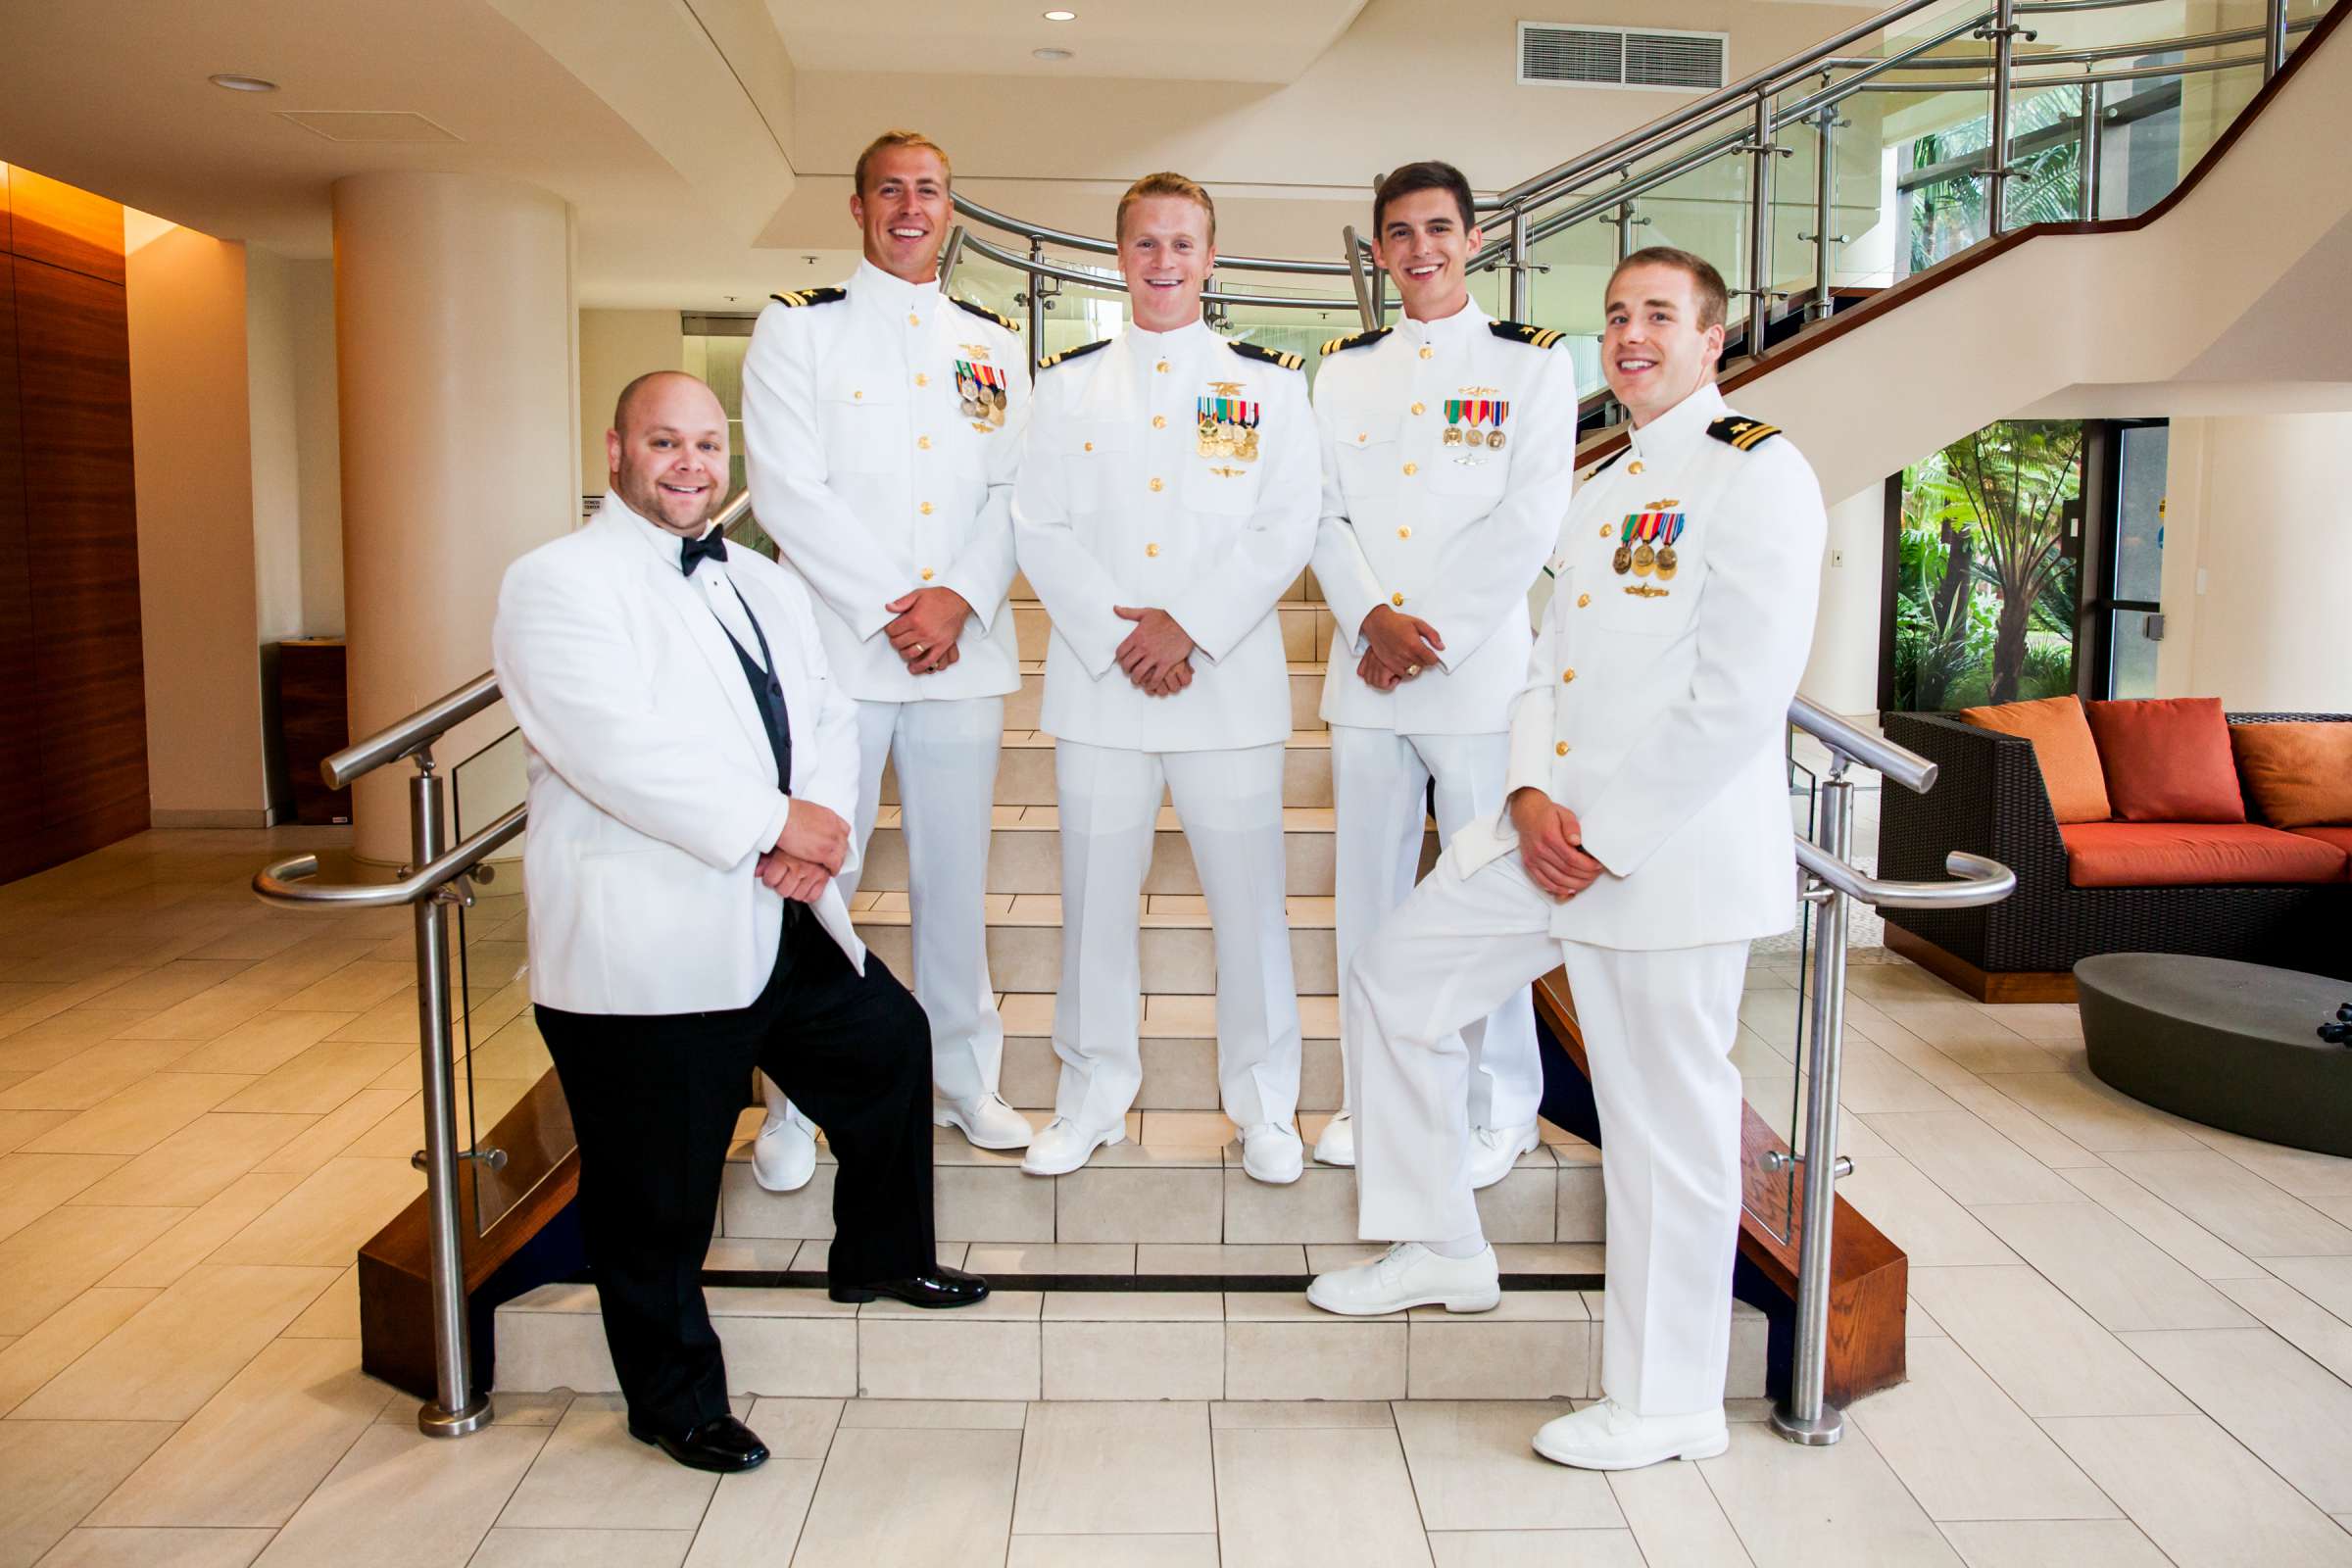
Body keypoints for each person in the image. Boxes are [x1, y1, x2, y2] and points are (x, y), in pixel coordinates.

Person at [1305, 248, 1827, 1473]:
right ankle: (1440, 1241)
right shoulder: (1607, 484)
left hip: (1663, 860)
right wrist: (1532, 790)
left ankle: (1669, 1400)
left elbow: (1742, 693)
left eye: (1659, 316)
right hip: (1550, 832)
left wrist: (1604, 829)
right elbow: (1546, 667)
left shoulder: (1758, 473)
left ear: (1713, 339)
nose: (1630, 334)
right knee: (1400, 973)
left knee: (1666, 1127)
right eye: (1616, 316)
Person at [494, 371, 987, 1475]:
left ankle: (879, 1256)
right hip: (649, 939)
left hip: (776, 906)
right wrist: (772, 821)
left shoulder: (760, 577)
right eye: (665, 442)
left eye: (707, 445)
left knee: (889, 1048)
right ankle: (672, 1399)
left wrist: (805, 833)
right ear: (616, 446)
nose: (690, 465)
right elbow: (613, 750)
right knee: (658, 1193)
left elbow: (823, 708)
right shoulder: (554, 582)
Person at [738, 128, 1033, 1192]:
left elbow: (1015, 492)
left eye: (932, 191)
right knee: (822, 876)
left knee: (958, 883)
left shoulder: (993, 343)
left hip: (963, 654)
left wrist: (955, 600)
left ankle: (968, 1078)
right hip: (839, 659)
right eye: (892, 191)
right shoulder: (798, 331)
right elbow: (785, 489)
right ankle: (792, 1106)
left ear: (951, 210)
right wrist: (892, 606)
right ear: (858, 208)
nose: (913, 207)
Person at [1009, 172, 1318, 1182]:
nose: (1165, 262)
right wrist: (1123, 637)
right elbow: (1039, 526)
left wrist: (1188, 628)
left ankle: (1267, 1105)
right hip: (1102, 689)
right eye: (1147, 243)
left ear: (1211, 257)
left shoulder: (1270, 386)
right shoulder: (1064, 386)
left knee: (1251, 907)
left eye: (1183, 244)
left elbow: (1286, 525)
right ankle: (1092, 1094)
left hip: (1226, 691)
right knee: (1097, 901)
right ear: (1121, 255)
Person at [1307, 160, 1579, 1185]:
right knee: (1366, 903)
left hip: (1473, 679)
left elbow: (1528, 519)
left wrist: (1429, 632)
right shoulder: (1342, 371)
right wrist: (1371, 619)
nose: (1419, 248)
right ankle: (1375, 1099)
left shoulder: (1532, 367)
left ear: (1474, 238)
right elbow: (1320, 513)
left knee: (1488, 894)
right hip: (1366, 675)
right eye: (1399, 233)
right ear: (1378, 251)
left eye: (1438, 228)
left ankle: (1499, 1104)